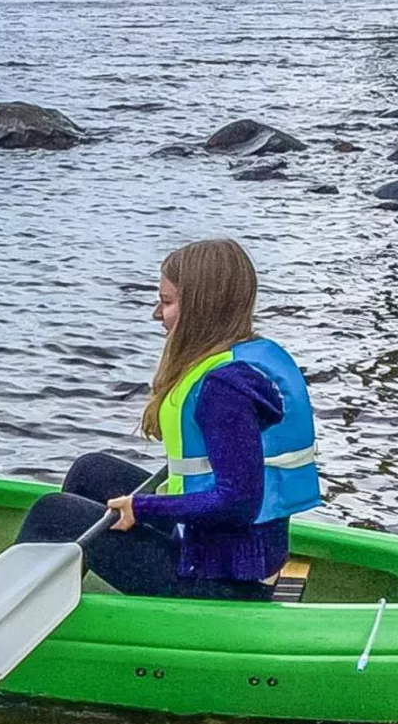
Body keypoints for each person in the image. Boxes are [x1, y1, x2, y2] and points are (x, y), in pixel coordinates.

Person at [16, 238, 319, 601]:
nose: (157, 313)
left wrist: (142, 507)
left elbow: (238, 502)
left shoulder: (224, 388)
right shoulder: (245, 356)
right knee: (91, 471)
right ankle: (55, 604)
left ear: (201, 307)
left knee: (54, 514)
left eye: (167, 301)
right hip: (218, 547)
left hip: (224, 579)